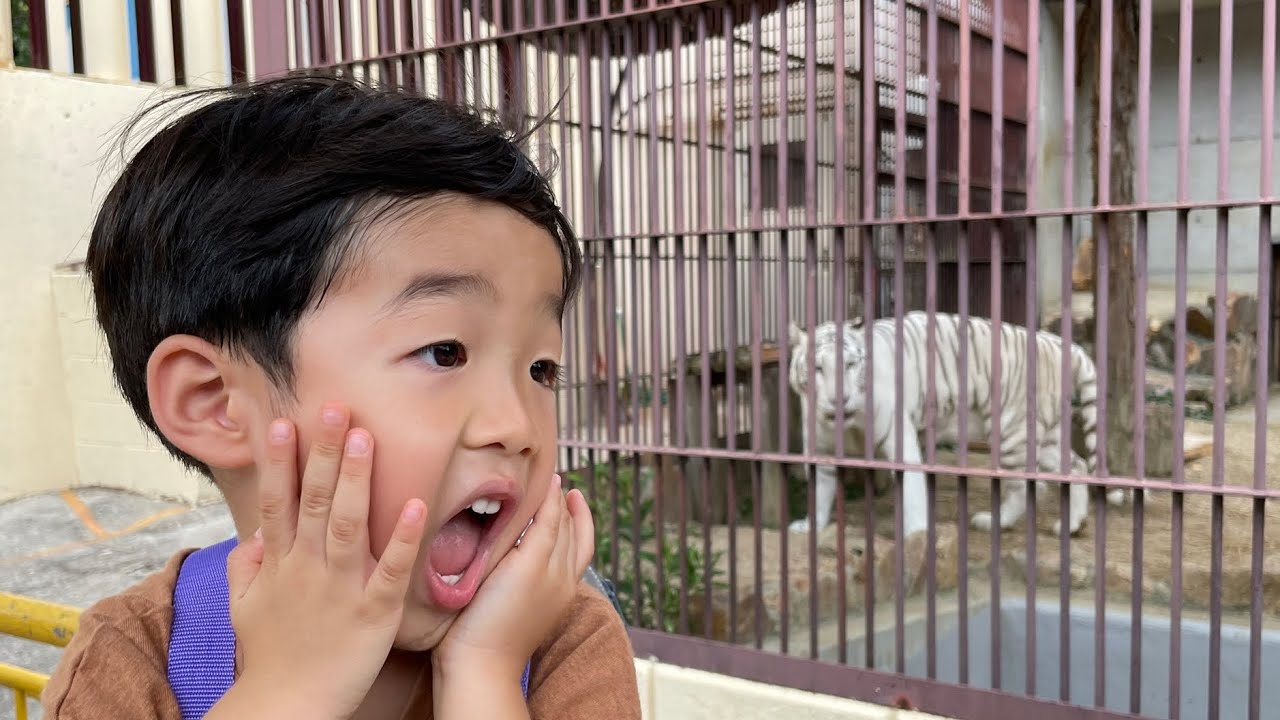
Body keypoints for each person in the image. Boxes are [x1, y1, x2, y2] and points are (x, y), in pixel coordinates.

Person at [40, 74, 641, 719]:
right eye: (445, 352)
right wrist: (289, 691)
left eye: (542, 368)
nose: (516, 425)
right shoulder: (131, 660)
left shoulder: (560, 642)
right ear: (214, 402)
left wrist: (485, 672)